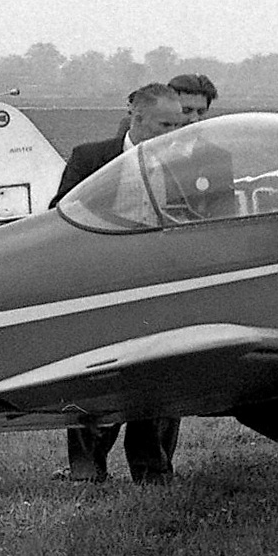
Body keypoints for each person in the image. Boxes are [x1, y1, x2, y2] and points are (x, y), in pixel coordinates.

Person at [50, 83, 190, 484]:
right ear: (138, 118)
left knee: (166, 378)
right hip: (104, 291)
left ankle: (154, 469)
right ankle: (86, 469)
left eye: (177, 125)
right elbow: (59, 218)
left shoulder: (186, 165)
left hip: (164, 288)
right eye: (165, 124)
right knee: (97, 380)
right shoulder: (90, 159)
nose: (173, 133)